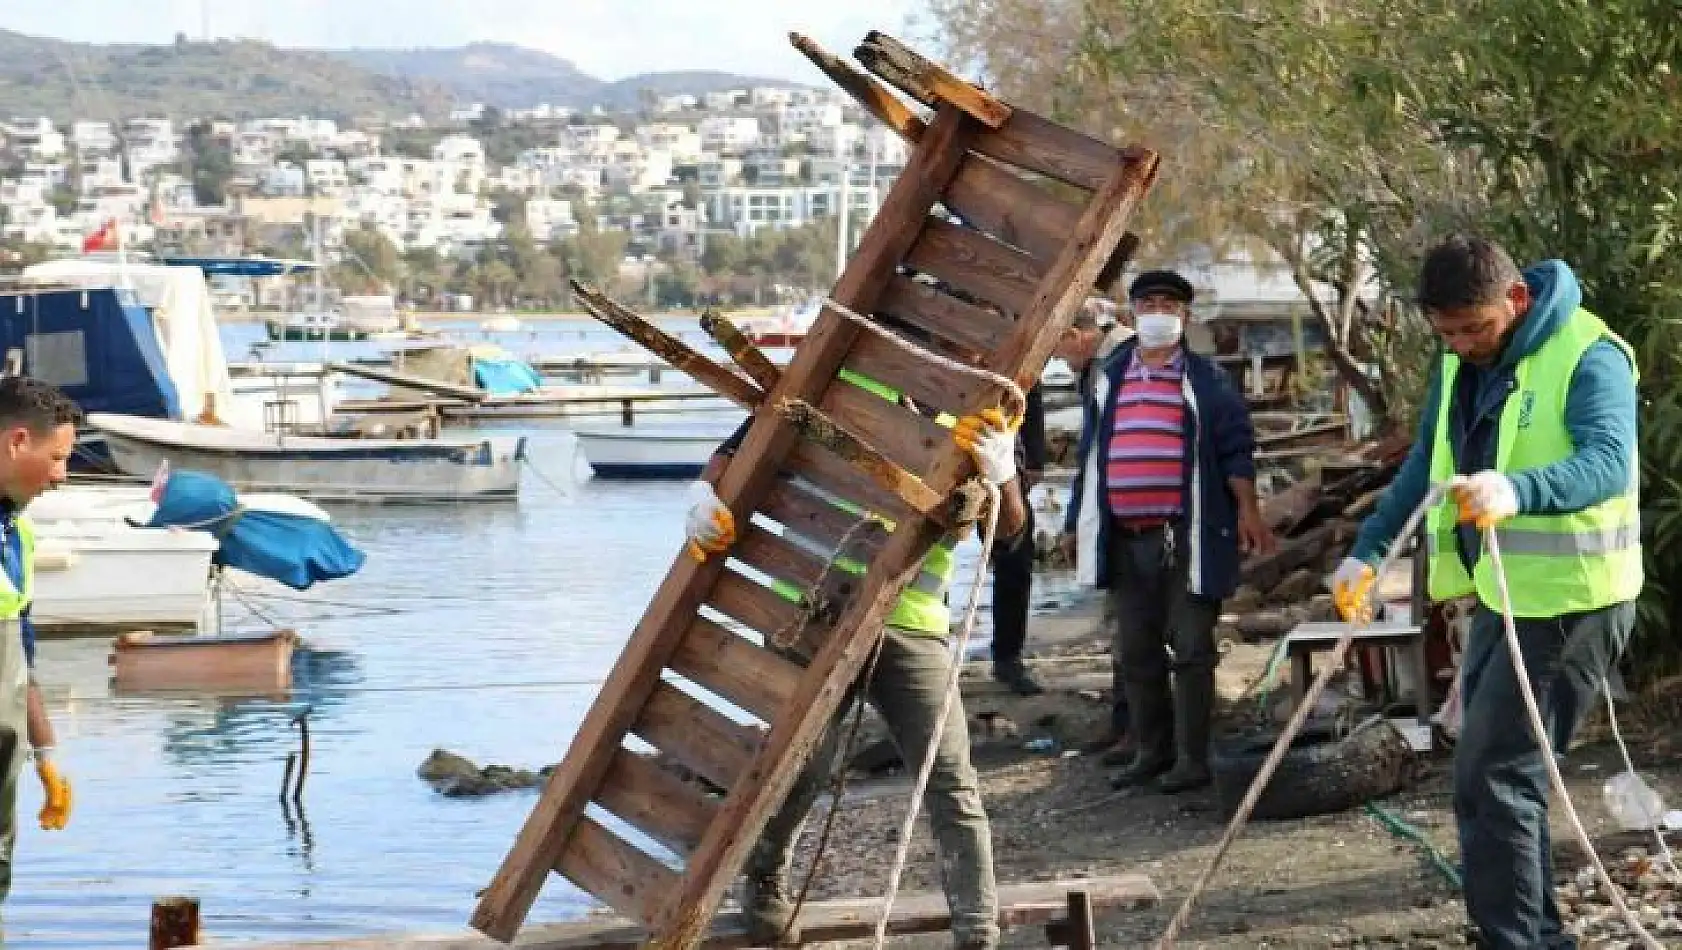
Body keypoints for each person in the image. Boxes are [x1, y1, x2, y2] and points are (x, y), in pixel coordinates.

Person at [1333, 235, 1639, 950]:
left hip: (1573, 599)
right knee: (1490, 777)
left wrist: (1518, 489)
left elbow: (1608, 462)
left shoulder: (1590, 355)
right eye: (1448, 332)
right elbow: (1426, 463)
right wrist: (1368, 553)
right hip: (1504, 598)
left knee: (1498, 775)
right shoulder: (1454, 364)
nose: (1466, 344)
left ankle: (1518, 941)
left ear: (1517, 299)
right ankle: (1531, 936)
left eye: (1477, 328)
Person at [686, 370, 1028, 950]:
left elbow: (1011, 537)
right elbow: (738, 449)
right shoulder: (847, 383)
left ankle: (978, 929)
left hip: (913, 625)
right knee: (800, 766)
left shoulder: (978, 420)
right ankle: (765, 876)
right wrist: (701, 494)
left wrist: (1004, 475)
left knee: (951, 781)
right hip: (820, 612)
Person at [1062, 271, 1274, 794]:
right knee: (1135, 648)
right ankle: (1150, 750)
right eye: (1150, 302)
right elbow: (1090, 454)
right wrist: (1073, 522)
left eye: (1170, 305)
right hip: (1125, 534)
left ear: (1185, 316)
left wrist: (1248, 511)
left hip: (1188, 534)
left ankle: (1193, 758)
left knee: (1193, 645)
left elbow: (1235, 447)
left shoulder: (1206, 380)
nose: (1159, 312)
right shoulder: (1109, 374)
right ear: (1132, 313)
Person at [0, 377, 77, 912]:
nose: (61, 476)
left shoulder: (16, 534)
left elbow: (19, 654)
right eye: (56, 457)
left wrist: (45, 752)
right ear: (17, 440)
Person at [1054, 298, 1136, 760]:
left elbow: (1096, 453)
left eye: (1061, 348)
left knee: (1129, 622)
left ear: (1078, 335)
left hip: (1126, 511)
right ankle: (1126, 722)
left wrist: (1076, 521)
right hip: (1112, 510)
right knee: (1120, 620)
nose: (1060, 359)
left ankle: (1135, 727)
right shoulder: (1104, 366)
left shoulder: (1116, 365)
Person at [986, 382, 1046, 695]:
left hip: (1002, 452)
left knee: (1015, 558)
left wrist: (1034, 457)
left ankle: (1008, 658)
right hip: (940, 439)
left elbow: (1031, 386)